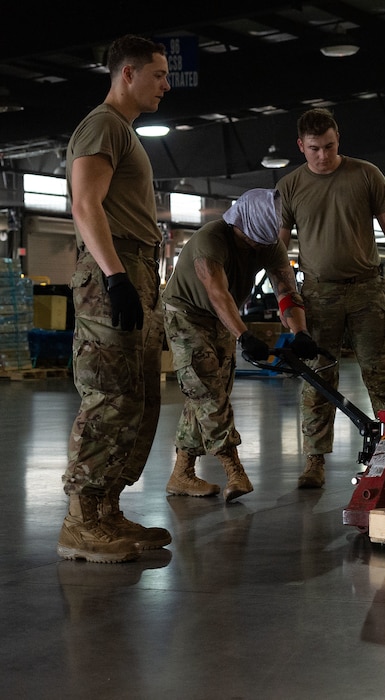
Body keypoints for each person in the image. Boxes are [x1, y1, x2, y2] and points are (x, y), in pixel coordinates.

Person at [58, 35, 172, 564]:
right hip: (114, 272)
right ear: (128, 74)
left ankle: (104, 511)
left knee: (136, 394)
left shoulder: (122, 132)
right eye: (158, 75)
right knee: (109, 395)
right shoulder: (103, 126)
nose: (166, 86)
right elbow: (86, 204)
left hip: (134, 267)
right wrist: (116, 277)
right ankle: (81, 522)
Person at [277, 107, 385, 489]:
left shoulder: (365, 174)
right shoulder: (289, 186)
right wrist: (285, 296)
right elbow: (278, 247)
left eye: (331, 146)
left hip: (367, 288)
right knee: (318, 378)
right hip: (317, 294)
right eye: (316, 148)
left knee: (382, 374)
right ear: (301, 146)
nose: (324, 156)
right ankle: (314, 461)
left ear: (339, 140)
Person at [161, 188, 318, 502]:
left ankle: (182, 473)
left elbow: (286, 289)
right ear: (240, 227)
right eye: (252, 242)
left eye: (264, 243)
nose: (258, 247)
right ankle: (234, 470)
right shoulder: (211, 241)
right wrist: (244, 336)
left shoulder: (270, 244)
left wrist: (299, 331)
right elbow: (217, 294)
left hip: (223, 316)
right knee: (207, 393)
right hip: (187, 314)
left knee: (210, 392)